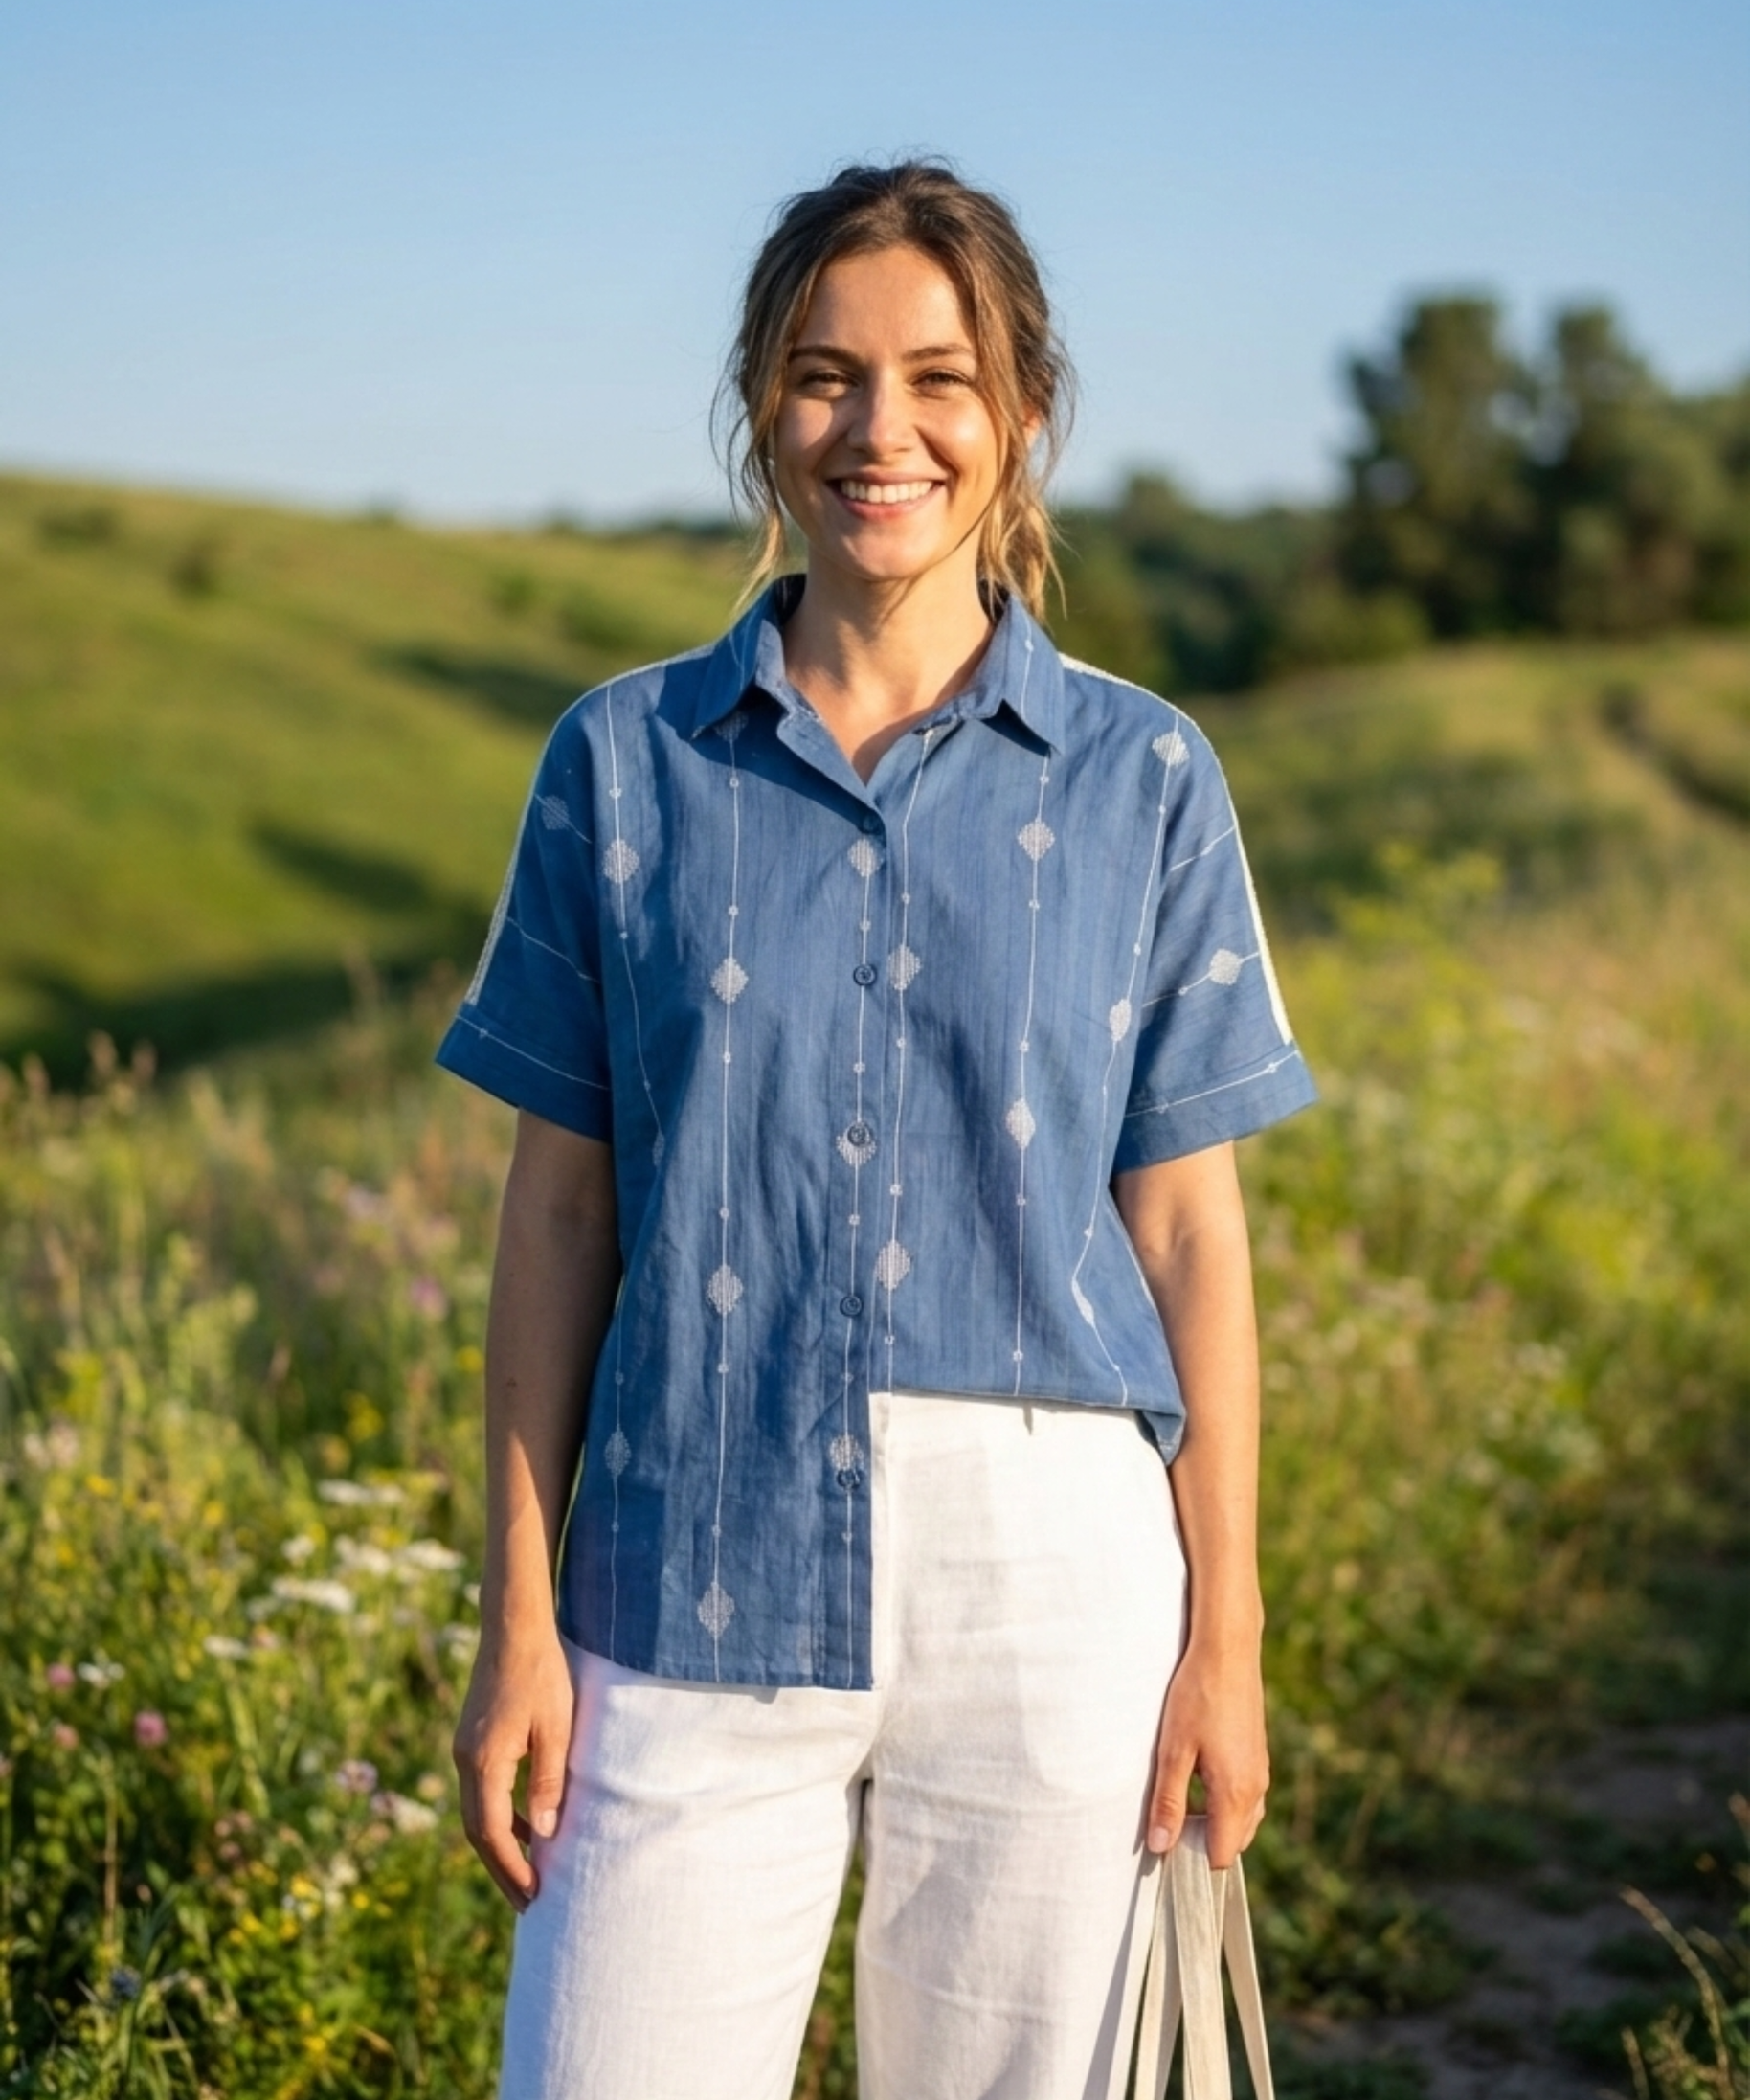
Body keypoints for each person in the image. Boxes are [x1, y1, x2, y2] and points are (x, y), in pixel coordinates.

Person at [436, 159, 1316, 2100]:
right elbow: (558, 1216)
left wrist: (1222, 1641)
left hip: (1052, 1589)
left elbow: (1186, 1236)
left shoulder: (1145, 777)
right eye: (825, 375)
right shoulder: (621, 760)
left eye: (938, 375)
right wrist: (517, 1617)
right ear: (763, 403)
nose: (878, 427)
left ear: (1017, 415)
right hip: (684, 1566)